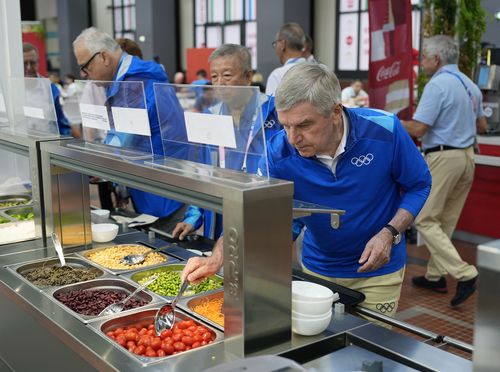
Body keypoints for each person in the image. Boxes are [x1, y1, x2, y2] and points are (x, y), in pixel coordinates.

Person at [182, 63, 432, 317]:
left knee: (371, 353)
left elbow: (419, 185)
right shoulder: (277, 152)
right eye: (285, 126)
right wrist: (217, 258)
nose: (292, 138)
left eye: (303, 125)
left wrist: (389, 233)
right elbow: (252, 213)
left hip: (379, 273)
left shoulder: (385, 130)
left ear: (335, 111)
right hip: (317, 269)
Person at [402, 35, 487, 307]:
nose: (422, 63)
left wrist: (389, 119)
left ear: (436, 59)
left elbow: (418, 129)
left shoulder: (438, 84)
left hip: (443, 157)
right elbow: (482, 126)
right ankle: (435, 276)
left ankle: (465, 273)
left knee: (425, 218)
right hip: (467, 158)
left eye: (424, 58)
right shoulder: (471, 85)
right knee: (446, 220)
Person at [73, 27, 186, 224]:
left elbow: (121, 140)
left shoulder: (135, 83)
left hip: (164, 190)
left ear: (104, 58)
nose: (84, 74)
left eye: (85, 67)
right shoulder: (129, 80)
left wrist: (89, 165)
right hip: (155, 182)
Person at [173, 44, 282, 241]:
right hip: (221, 214)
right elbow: (203, 172)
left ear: (248, 77)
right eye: (214, 77)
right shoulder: (211, 116)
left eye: (227, 75)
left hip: (262, 212)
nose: (220, 83)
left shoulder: (274, 113)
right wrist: (193, 216)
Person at [23, 42, 72, 136]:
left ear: (38, 62)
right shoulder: (12, 89)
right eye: (24, 63)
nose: (28, 67)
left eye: (32, 63)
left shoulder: (49, 88)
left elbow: (61, 122)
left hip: (46, 142)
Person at [265, 22, 306, 96]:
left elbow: (271, 107)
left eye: (276, 43)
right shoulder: (319, 71)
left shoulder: (277, 76)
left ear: (282, 44)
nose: (275, 47)